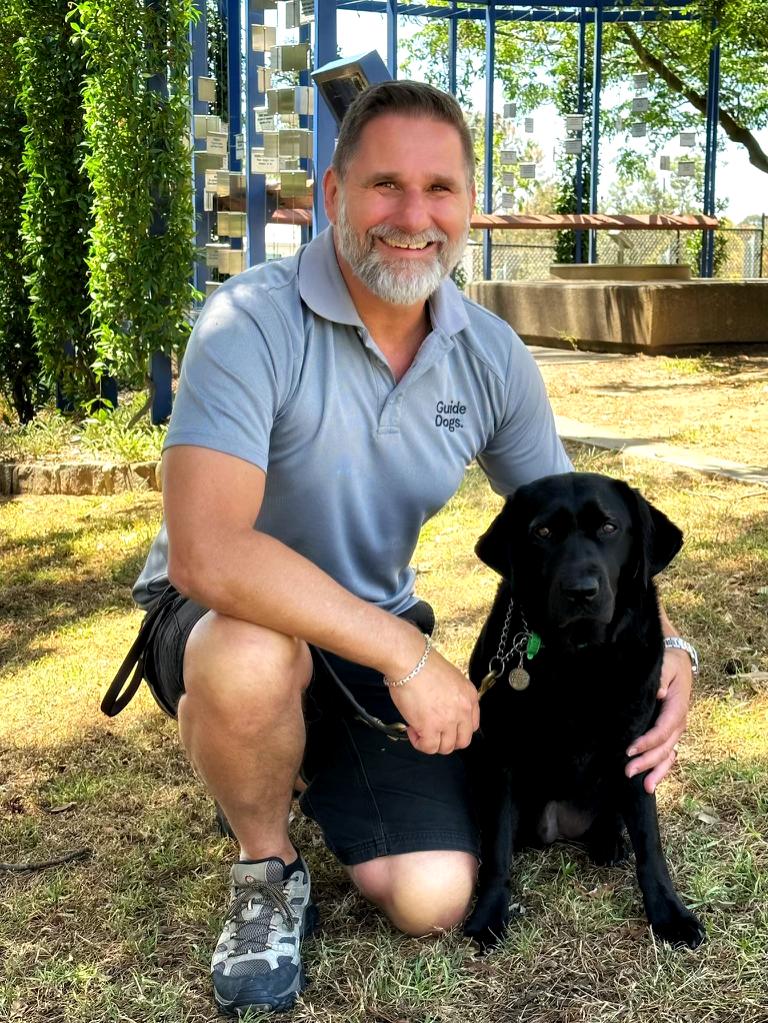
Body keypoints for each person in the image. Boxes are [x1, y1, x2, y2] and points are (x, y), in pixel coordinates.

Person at [115, 80, 696, 1017]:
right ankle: (264, 862)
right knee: (256, 655)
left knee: (435, 897)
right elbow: (208, 554)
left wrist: (674, 649)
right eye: (385, 184)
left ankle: (292, 752)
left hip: (365, 638)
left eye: (440, 189)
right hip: (223, 622)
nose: (413, 218)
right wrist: (409, 655)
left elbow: (579, 535)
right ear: (335, 193)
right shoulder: (247, 322)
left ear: (467, 205)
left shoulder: (488, 353)